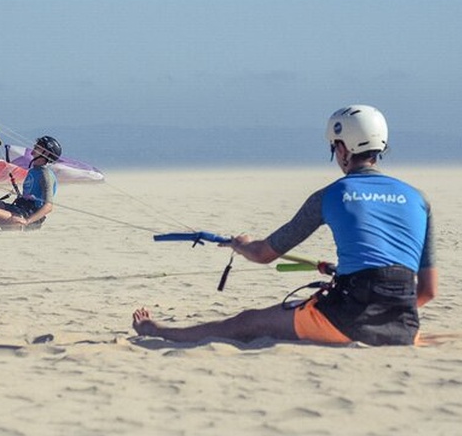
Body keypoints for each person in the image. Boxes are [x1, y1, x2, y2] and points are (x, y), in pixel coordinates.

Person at [133, 105, 438, 346]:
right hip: (404, 329)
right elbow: (427, 291)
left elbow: (265, 253)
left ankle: (157, 330)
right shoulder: (419, 199)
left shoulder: (332, 195)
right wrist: (385, 310)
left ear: (344, 149)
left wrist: (241, 244)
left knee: (246, 322)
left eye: (335, 148)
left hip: (345, 320)